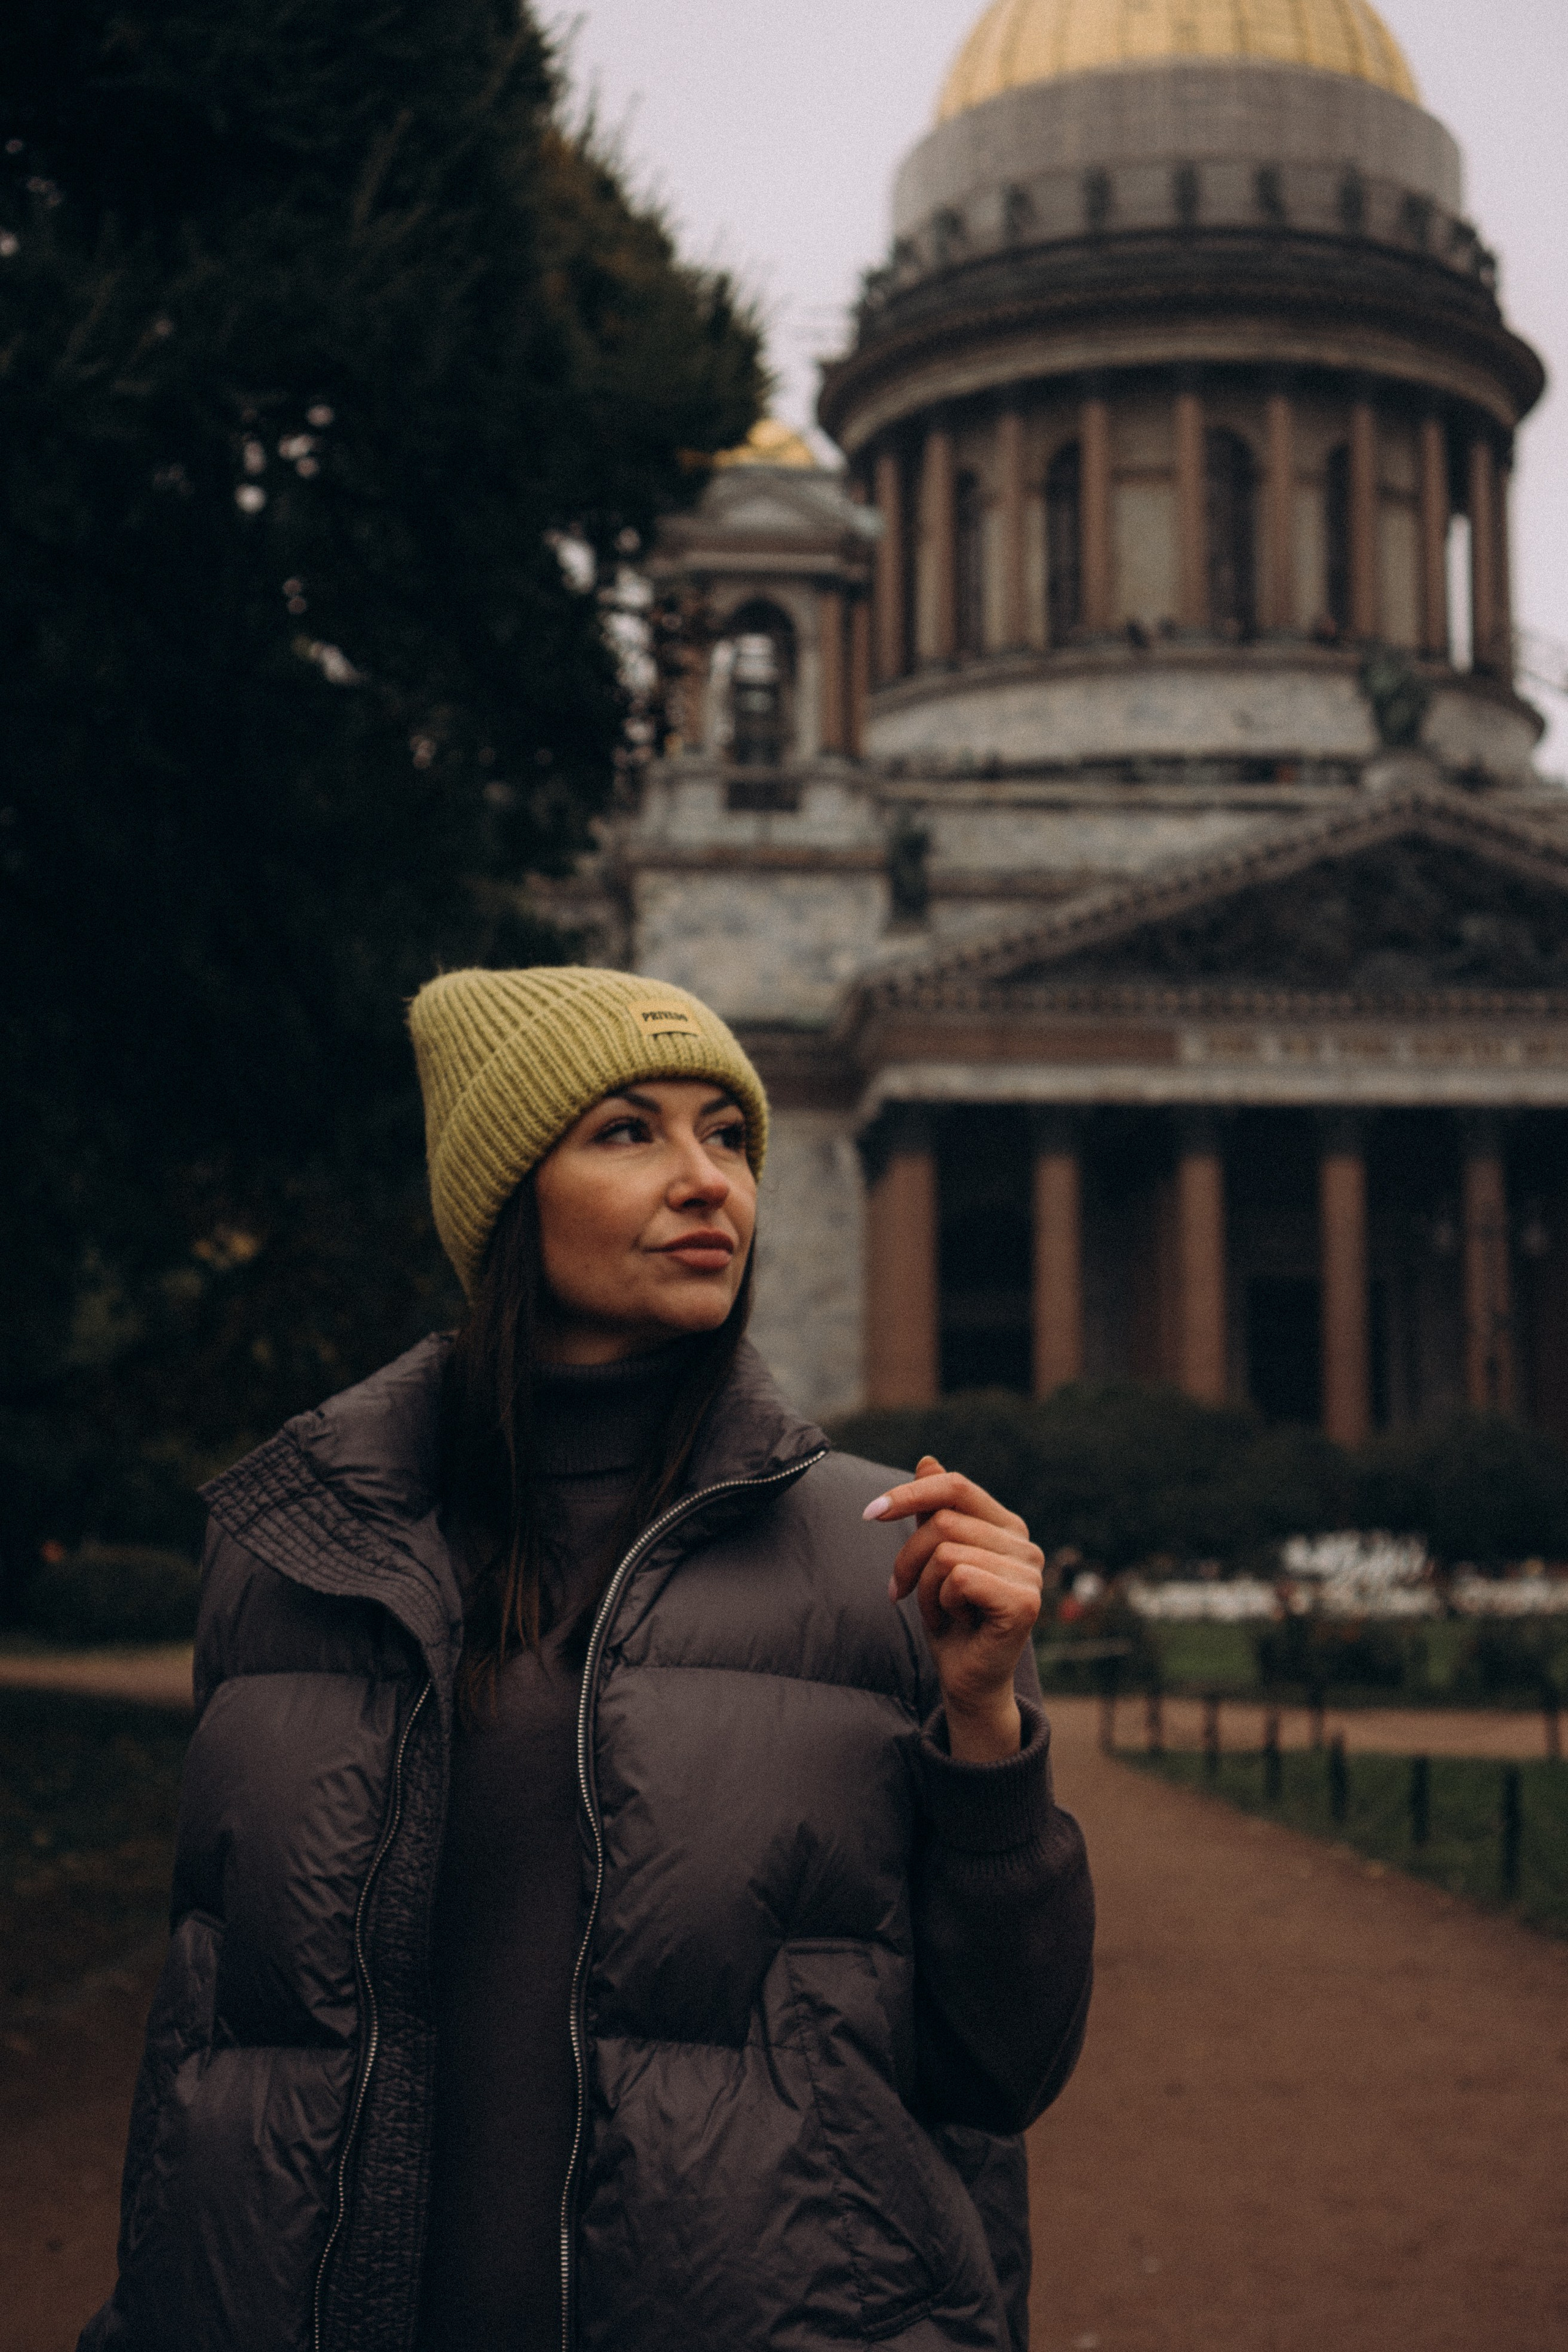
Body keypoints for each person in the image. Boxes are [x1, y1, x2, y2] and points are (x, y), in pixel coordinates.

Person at [81, 965, 1094, 2352]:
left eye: (728, 1136)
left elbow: (1005, 2063)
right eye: (629, 1131)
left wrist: (988, 1739)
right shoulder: (291, 1554)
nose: (706, 1181)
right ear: (506, 1199)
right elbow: (210, 2049)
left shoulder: (892, 1557)